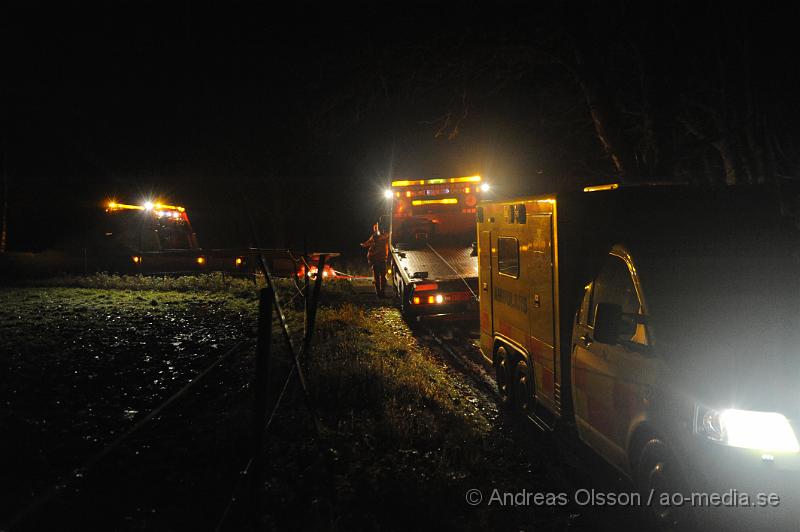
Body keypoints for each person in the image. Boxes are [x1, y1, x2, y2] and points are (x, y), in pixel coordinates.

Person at [361, 223, 389, 297]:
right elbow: (368, 243)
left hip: (381, 259)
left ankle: (381, 292)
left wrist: (364, 244)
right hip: (376, 260)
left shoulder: (383, 236)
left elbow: (367, 243)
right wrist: (364, 244)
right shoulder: (375, 237)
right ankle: (379, 293)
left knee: (382, 277)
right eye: (376, 228)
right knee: (377, 277)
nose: (377, 229)